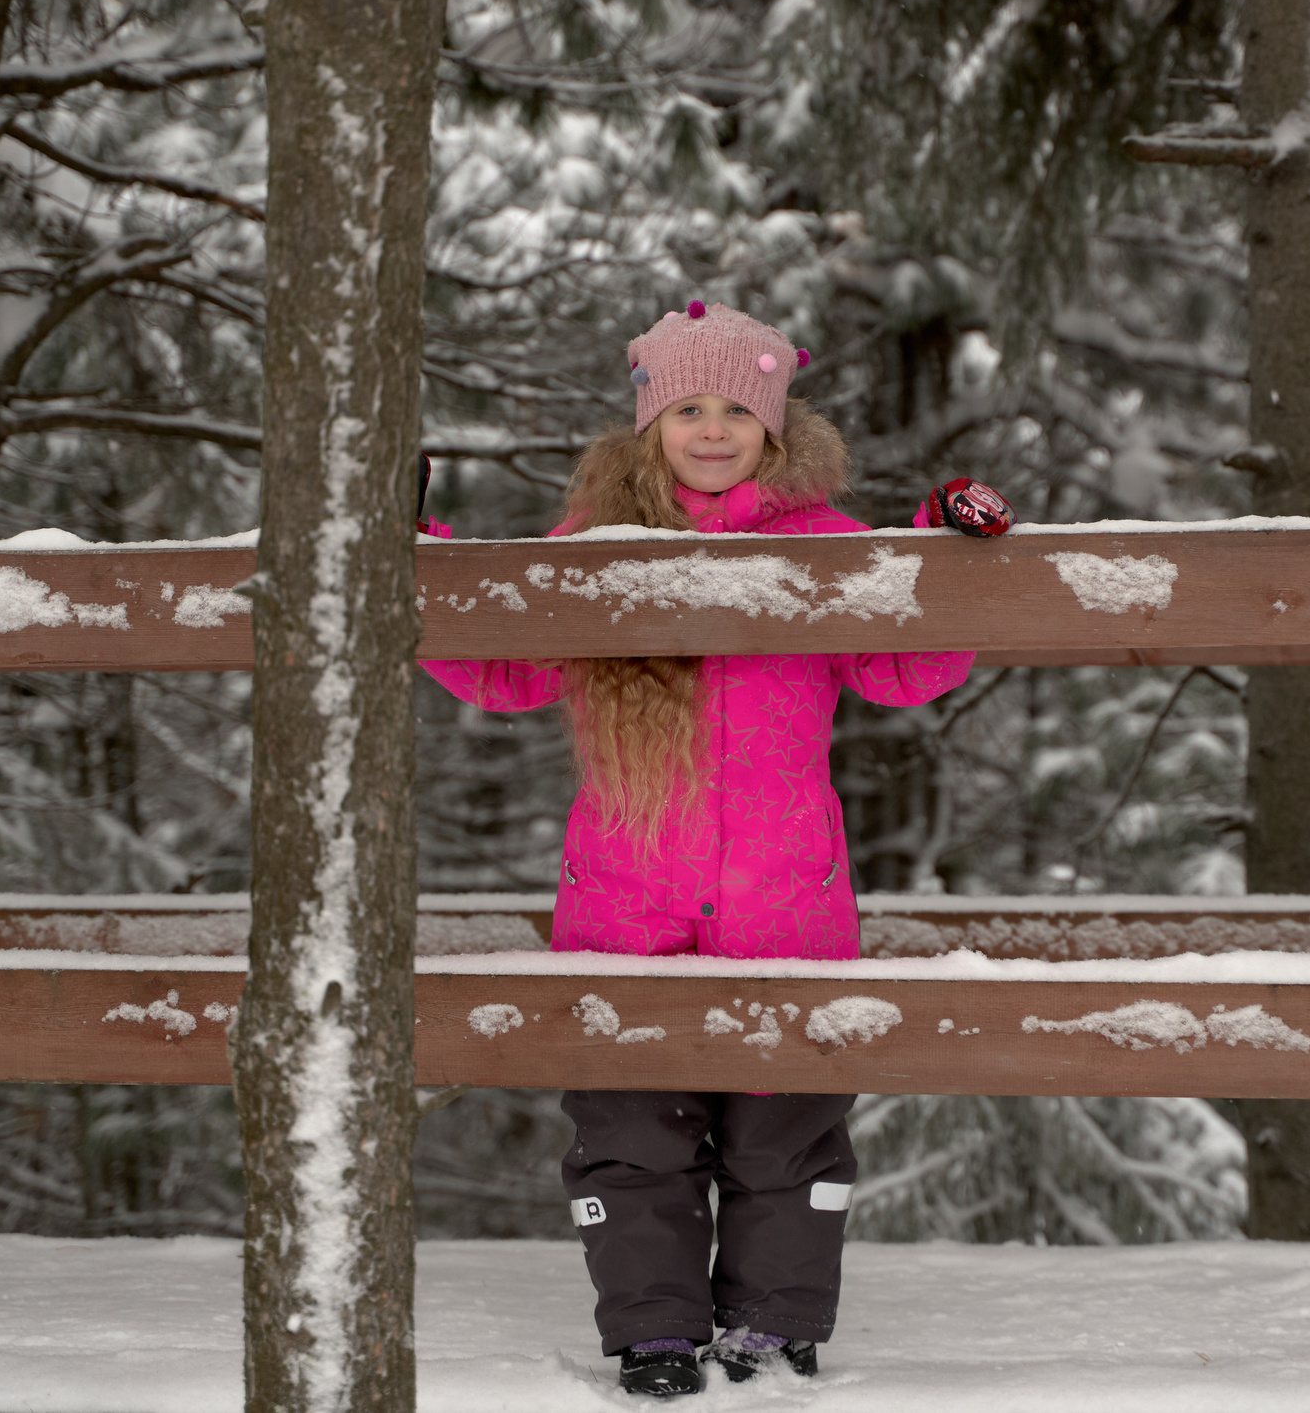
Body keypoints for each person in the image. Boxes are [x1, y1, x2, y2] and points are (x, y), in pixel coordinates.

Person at [420, 301, 1007, 1397]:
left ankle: (771, 1331)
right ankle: (654, 1334)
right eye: (688, 405)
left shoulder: (825, 545)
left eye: (738, 407)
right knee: (630, 1136)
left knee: (784, 1137)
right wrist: (424, 560)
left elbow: (902, 671)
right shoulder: (595, 547)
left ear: (774, 423)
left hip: (787, 897)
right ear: (650, 420)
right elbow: (507, 670)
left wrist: (942, 558)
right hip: (625, 904)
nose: (712, 427)